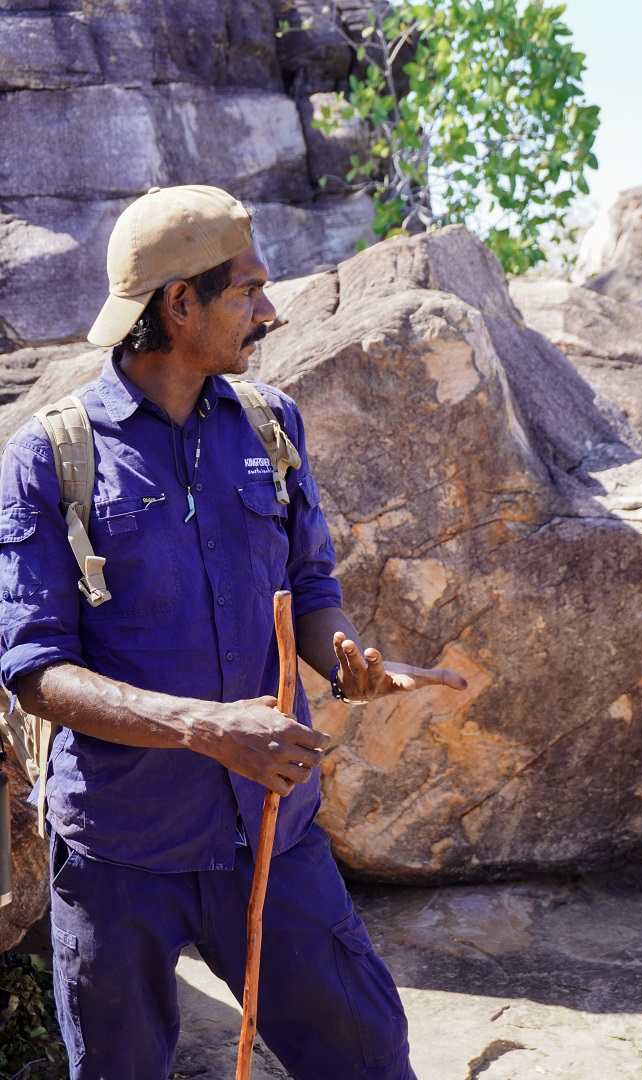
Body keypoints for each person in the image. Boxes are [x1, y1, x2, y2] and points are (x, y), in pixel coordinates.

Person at [0, 184, 466, 1080]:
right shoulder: (51, 456)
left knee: (370, 1056)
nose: (272, 311)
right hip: (117, 855)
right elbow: (34, 670)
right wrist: (208, 729)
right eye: (247, 292)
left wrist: (344, 662)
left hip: (271, 836)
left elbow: (308, 582)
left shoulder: (271, 425)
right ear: (179, 304)